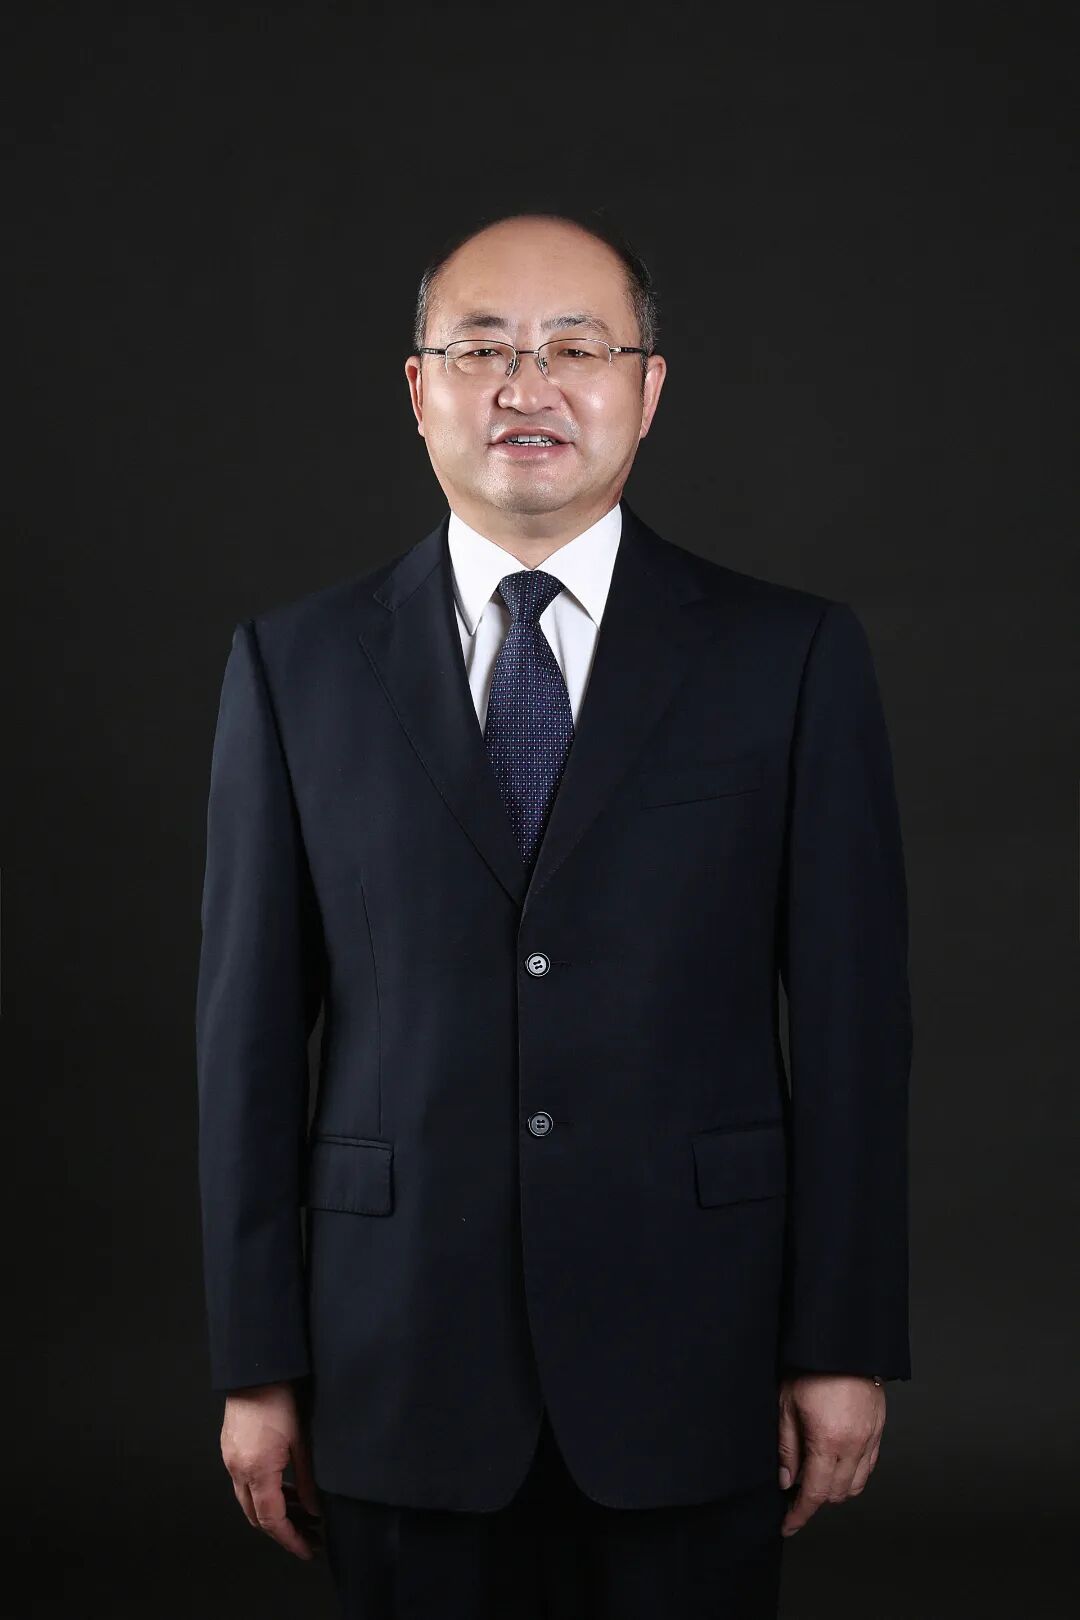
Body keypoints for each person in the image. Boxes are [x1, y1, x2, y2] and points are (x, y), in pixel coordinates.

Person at [195, 208, 912, 1619]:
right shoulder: (294, 669)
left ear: (649, 388)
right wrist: (256, 1366)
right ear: (420, 390)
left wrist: (843, 1340)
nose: (528, 387)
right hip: (395, 1354)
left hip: (696, 1349)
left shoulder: (790, 657)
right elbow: (248, 1044)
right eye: (484, 350)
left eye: (577, 348)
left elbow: (853, 1027)